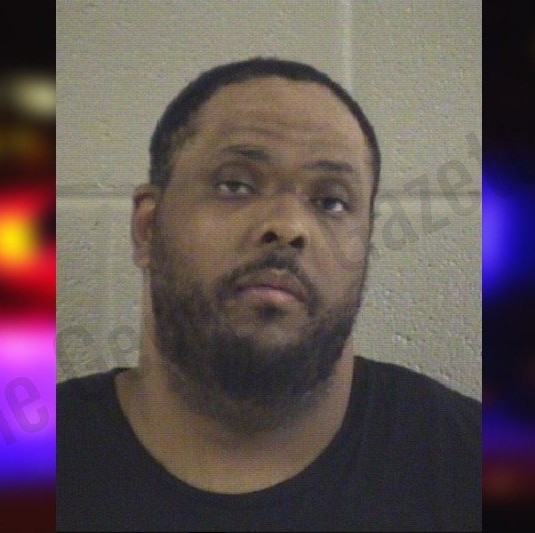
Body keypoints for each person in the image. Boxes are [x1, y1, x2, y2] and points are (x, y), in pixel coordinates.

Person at [57, 57, 481, 531]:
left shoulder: (472, 468)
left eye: (331, 201)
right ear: (147, 228)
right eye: (235, 185)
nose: (288, 225)